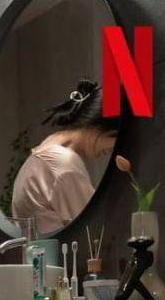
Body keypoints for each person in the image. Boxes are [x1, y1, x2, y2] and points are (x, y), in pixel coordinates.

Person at [11, 79, 118, 234]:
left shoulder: (43, 152)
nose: (111, 149)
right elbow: (94, 230)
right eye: (114, 140)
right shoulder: (64, 164)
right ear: (99, 127)